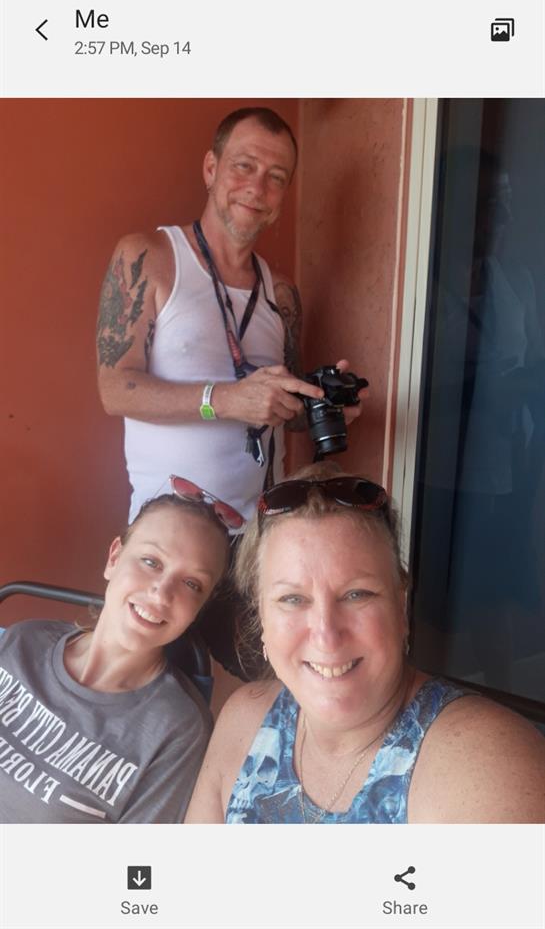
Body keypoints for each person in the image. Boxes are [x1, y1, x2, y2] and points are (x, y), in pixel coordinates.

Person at [96, 106, 362, 673]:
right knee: (148, 688)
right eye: (244, 166)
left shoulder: (281, 295)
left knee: (269, 682)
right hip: (167, 542)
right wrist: (224, 398)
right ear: (211, 168)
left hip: (254, 539)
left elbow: (276, 412)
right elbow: (115, 388)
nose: (257, 188)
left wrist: (321, 407)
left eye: (276, 178)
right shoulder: (149, 257)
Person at [185, 463, 545, 823]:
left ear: (400, 606)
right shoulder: (242, 723)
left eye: (357, 594)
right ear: (261, 617)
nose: (326, 633)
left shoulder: (483, 767)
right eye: (292, 599)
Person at [0, 487, 231, 823]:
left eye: (192, 584)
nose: (161, 593)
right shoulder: (25, 639)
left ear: (199, 608)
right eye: (151, 561)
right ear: (114, 558)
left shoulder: (178, 730)